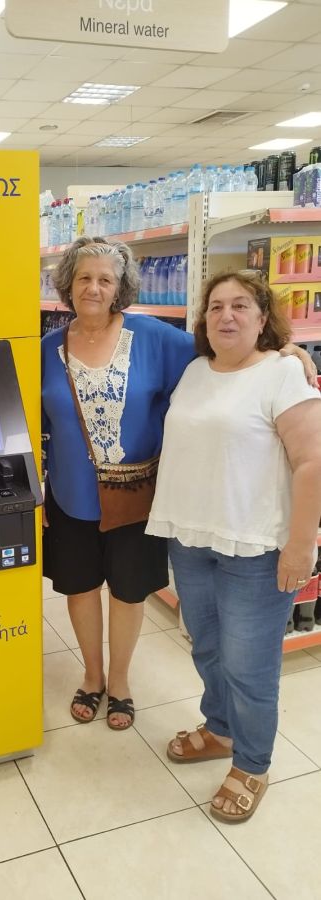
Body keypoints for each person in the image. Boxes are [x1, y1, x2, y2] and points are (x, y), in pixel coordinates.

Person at [147, 270, 321, 823]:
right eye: (216, 306)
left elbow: (312, 462)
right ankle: (221, 730)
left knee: (249, 666)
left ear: (263, 317)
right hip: (193, 538)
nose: (226, 315)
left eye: (240, 305)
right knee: (208, 648)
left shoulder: (283, 374)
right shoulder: (196, 370)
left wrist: (301, 546)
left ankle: (252, 764)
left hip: (257, 547)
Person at [42, 236, 196, 729]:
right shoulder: (46, 349)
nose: (93, 288)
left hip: (135, 497)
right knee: (81, 588)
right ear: (67, 284)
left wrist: (285, 352)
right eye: (84, 278)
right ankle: (92, 676)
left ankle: (122, 681)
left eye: (105, 279)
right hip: (69, 496)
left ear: (120, 287)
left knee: (128, 592)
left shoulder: (154, 337)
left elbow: (222, 353)